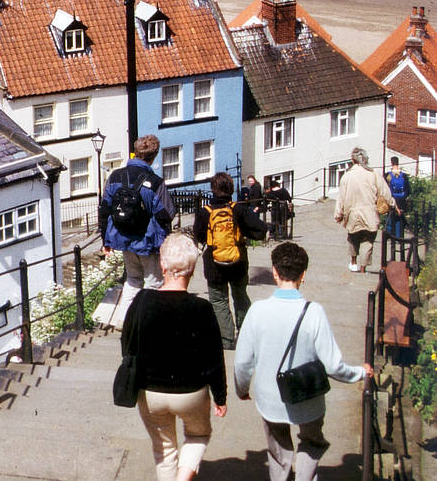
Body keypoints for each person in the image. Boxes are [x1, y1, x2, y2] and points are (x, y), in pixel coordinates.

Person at [234, 242, 374, 481]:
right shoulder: (314, 312)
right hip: (308, 398)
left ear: (275, 272)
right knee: (312, 441)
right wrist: (360, 372)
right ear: (303, 275)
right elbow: (333, 366)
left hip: (271, 398)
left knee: (279, 450)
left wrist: (242, 388)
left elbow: (243, 362)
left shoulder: (257, 311)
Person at [121, 233, 227, 481]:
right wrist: (220, 397)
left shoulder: (142, 301)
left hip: (150, 392)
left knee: (164, 450)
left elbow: (126, 344)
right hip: (192, 392)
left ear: (163, 265)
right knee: (198, 435)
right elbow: (214, 358)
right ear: (192, 269)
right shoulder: (202, 308)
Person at [99, 134, 176, 322]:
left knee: (132, 280)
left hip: (123, 239)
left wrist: (105, 241)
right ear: (154, 156)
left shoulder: (115, 176)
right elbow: (166, 214)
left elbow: (104, 209)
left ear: (135, 152)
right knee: (153, 283)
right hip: (147, 242)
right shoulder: (155, 182)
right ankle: (149, 324)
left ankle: (124, 322)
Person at [193, 172, 267, 350]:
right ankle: (246, 333)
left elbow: (199, 235)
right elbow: (260, 230)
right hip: (238, 261)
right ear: (231, 190)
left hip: (214, 264)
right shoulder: (238, 209)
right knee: (240, 296)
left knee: (219, 301)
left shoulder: (205, 212)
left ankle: (226, 339)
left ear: (212, 189)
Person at [334, 147, 392, 272]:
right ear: (365, 159)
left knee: (353, 237)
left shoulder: (346, 177)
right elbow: (385, 192)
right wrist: (393, 205)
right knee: (368, 240)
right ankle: (363, 268)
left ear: (352, 160)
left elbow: (341, 199)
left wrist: (338, 214)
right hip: (370, 213)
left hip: (352, 213)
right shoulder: (373, 174)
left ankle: (353, 262)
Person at [385, 156, 410, 238]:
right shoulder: (404, 176)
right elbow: (408, 190)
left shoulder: (388, 175)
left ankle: (391, 235)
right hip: (401, 199)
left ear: (391, 163)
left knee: (390, 216)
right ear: (398, 163)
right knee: (399, 217)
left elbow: (385, 189)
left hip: (392, 198)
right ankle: (399, 236)